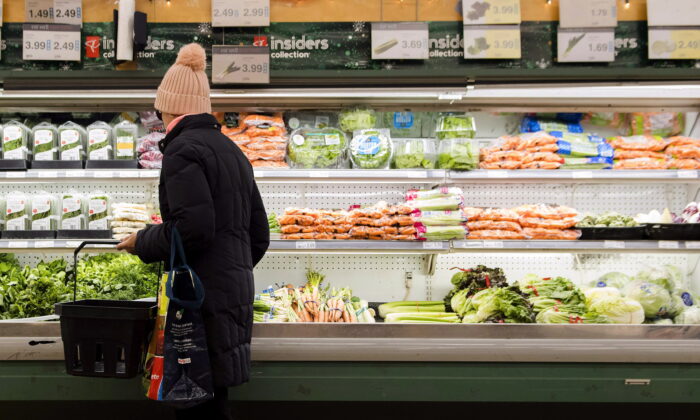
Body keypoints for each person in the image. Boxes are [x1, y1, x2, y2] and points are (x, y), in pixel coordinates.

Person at [117, 43, 270, 420]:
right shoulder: (231, 150)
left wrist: (143, 241)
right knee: (213, 402)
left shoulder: (183, 149)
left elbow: (193, 230)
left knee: (195, 405)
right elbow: (259, 233)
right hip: (229, 294)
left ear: (167, 104)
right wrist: (231, 271)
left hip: (200, 302)